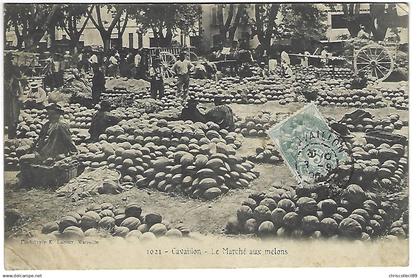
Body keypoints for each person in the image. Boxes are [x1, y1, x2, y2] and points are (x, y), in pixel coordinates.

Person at [4, 52, 23, 139]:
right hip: (11, 93)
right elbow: (19, 76)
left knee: (9, 113)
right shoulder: (13, 67)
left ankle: (10, 131)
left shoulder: (5, 66)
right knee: (13, 113)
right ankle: (12, 133)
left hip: (7, 92)